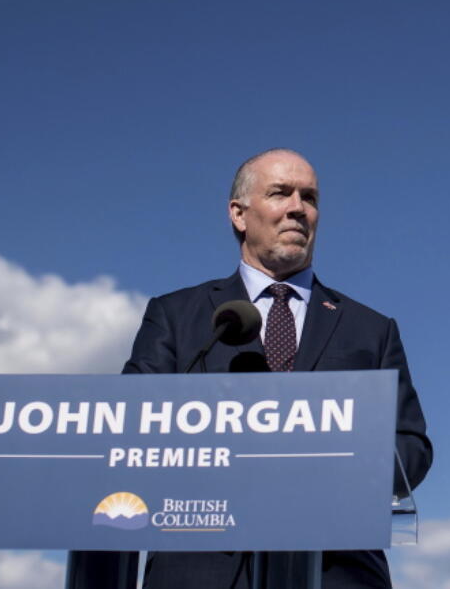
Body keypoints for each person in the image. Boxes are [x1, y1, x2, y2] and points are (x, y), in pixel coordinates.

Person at [123, 148, 432, 589]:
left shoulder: (372, 329)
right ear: (239, 214)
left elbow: (411, 444)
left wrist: (329, 474)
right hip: (202, 568)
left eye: (309, 197)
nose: (298, 208)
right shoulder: (176, 315)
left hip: (337, 569)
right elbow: (130, 424)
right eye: (280, 193)